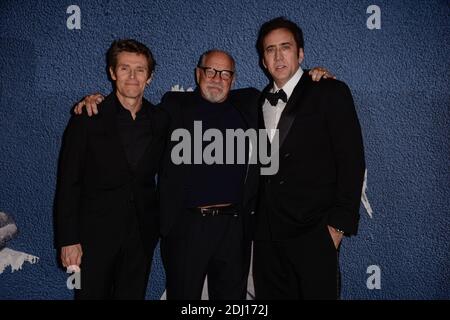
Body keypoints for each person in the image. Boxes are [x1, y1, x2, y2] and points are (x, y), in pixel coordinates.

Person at [74, 50, 333, 300]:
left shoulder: (251, 102)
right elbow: (134, 109)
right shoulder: (173, 107)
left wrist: (313, 79)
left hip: (234, 228)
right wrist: (97, 101)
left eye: (224, 74)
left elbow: (287, 92)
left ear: (233, 79)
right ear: (198, 74)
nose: (217, 79)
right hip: (187, 227)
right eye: (210, 71)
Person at [253, 17, 366, 300]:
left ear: (300, 53)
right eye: (270, 50)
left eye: (285, 47)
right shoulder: (256, 101)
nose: (278, 56)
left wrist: (336, 229)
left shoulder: (329, 91)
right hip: (267, 238)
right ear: (263, 61)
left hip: (314, 234)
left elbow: (352, 162)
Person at [55, 39, 168, 299]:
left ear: (149, 77)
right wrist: (68, 239)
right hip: (92, 237)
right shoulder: (88, 117)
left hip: (141, 235)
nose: (132, 76)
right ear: (112, 72)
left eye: (140, 70)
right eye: (125, 68)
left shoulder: (161, 120)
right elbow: (68, 183)